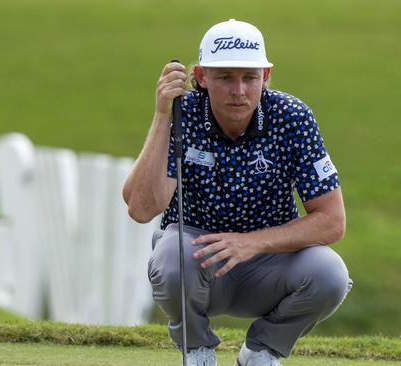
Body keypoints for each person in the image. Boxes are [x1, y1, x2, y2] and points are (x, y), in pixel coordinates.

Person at [122, 19, 352, 366]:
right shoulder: (183, 115)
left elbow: (332, 222)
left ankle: (261, 352)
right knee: (171, 256)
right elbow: (141, 208)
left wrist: (252, 242)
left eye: (249, 78)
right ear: (200, 77)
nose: (239, 91)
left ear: (267, 76)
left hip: (271, 264)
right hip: (198, 264)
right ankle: (197, 351)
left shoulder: (293, 117)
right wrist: (161, 116)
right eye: (225, 77)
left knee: (331, 275)